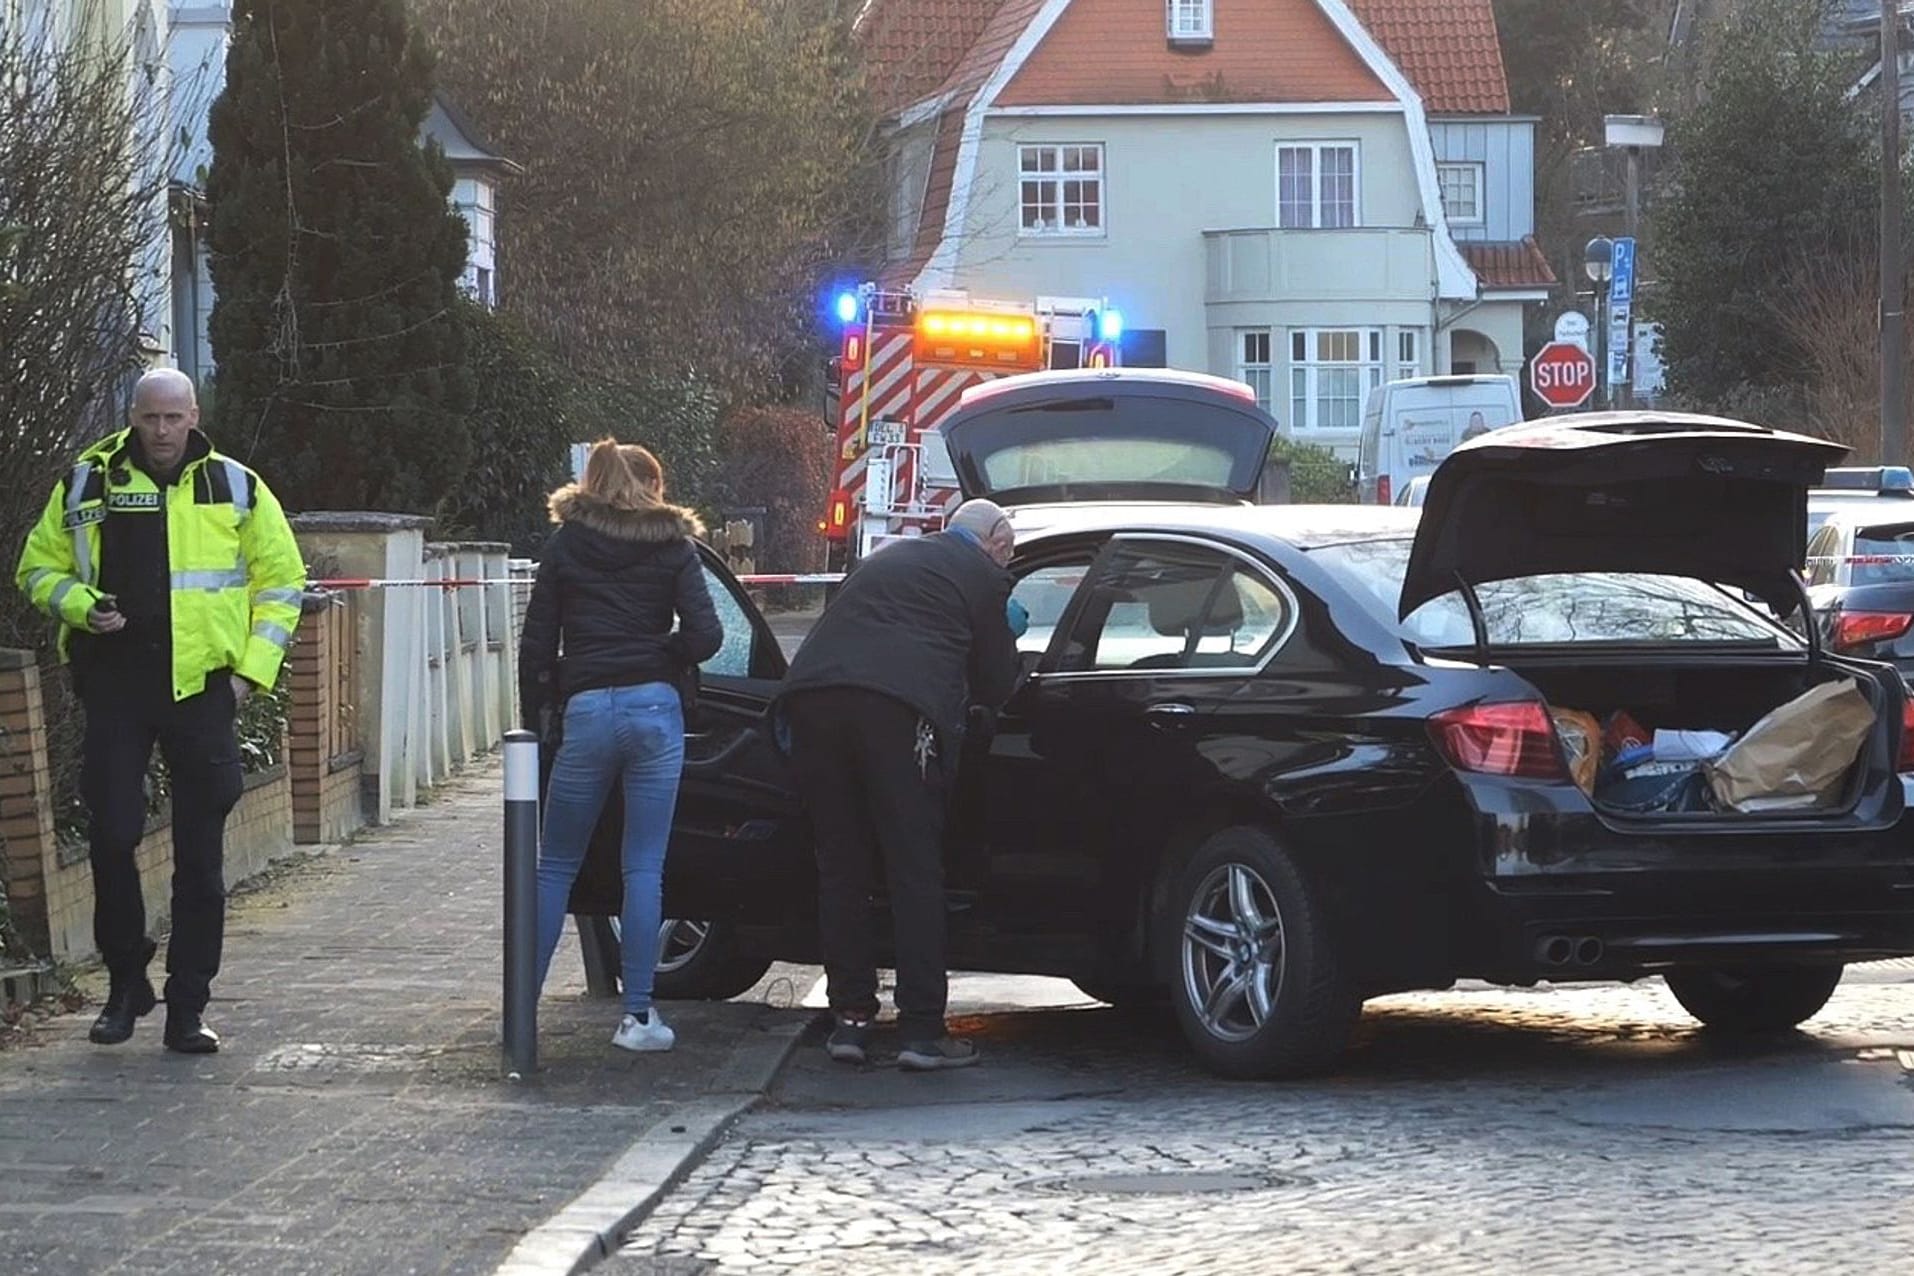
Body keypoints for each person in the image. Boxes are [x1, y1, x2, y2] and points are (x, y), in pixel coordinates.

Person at [13, 369, 307, 1053]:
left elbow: (284, 580)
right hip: (115, 686)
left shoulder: (235, 485)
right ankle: (125, 985)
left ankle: (187, 1006)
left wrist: (249, 676)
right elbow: (35, 570)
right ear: (133, 417)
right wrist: (83, 607)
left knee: (199, 860)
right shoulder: (88, 481)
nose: (163, 431)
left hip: (202, 689)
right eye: (151, 419)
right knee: (113, 836)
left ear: (194, 416)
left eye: (175, 418)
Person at [773, 501, 1022, 1071]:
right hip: (897, 713)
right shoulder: (983, 575)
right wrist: (1007, 633)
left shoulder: (889, 557)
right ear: (997, 542)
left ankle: (851, 1022)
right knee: (913, 867)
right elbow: (997, 683)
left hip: (812, 704)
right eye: (1008, 552)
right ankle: (922, 1033)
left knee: (841, 867)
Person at [518, 439, 722, 1053]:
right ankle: (638, 1017)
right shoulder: (674, 547)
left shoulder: (565, 545)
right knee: (643, 867)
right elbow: (708, 636)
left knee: (555, 864)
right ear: (650, 486)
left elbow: (535, 645)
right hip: (655, 710)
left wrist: (538, 723)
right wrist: (664, 652)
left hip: (586, 708)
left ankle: (520, 1010)